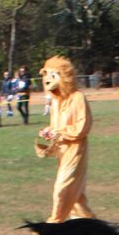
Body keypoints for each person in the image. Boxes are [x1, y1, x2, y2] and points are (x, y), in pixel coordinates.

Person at [36, 56, 95, 222]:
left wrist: (60, 133)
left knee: (62, 187)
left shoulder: (78, 98)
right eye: (46, 74)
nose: (47, 79)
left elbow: (82, 127)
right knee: (75, 193)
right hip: (62, 151)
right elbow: (56, 126)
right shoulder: (56, 101)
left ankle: (55, 223)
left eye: (53, 75)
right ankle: (88, 223)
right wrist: (49, 132)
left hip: (76, 150)